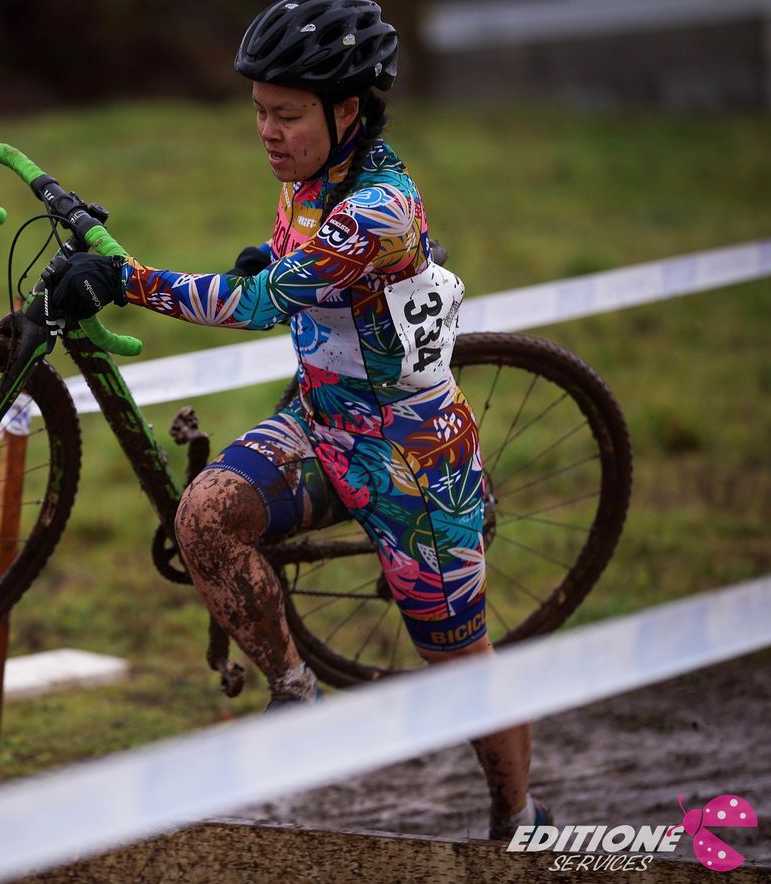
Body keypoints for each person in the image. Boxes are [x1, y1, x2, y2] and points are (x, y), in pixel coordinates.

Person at [43, 0, 551, 841]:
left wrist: (124, 280)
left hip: (412, 454)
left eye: (286, 115)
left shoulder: (379, 207)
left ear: (347, 110)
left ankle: (521, 814)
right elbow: (288, 271)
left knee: (459, 663)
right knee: (203, 518)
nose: (267, 132)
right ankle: (293, 692)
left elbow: (255, 304)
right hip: (321, 426)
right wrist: (272, 256)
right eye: (258, 111)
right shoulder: (309, 180)